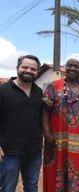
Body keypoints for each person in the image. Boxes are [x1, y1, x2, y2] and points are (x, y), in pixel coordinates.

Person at [42, 53, 79, 192]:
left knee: (78, 170)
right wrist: (47, 134)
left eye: (76, 66)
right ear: (65, 67)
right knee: (54, 170)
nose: (72, 68)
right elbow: (44, 111)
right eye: (70, 65)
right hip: (56, 139)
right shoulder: (53, 86)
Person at [0, 55, 43, 192]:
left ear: (37, 72)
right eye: (25, 67)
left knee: (31, 186)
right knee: (7, 188)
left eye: (33, 68)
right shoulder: (3, 90)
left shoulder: (38, 92)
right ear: (18, 68)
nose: (28, 70)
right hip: (8, 151)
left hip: (34, 151)